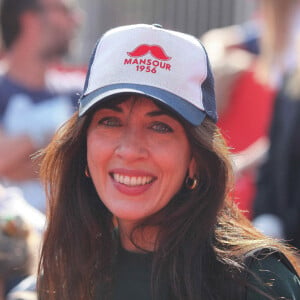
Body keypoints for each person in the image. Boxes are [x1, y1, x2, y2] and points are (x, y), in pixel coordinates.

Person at [37, 24, 300, 300]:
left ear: (196, 157)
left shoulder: (257, 281)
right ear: (83, 146)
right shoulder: (66, 272)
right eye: (110, 121)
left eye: (160, 127)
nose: (129, 150)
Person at [201, 0, 300, 218]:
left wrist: (242, 163)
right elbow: (218, 40)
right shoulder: (276, 21)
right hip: (277, 189)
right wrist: (220, 67)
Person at [0, 0, 84, 213]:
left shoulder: (78, 93)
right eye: (65, 10)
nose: (76, 20)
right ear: (30, 19)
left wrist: (15, 158)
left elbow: (85, 163)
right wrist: (54, 139)